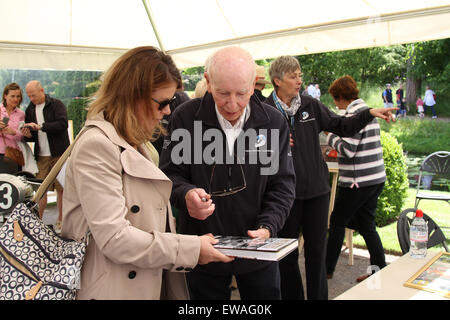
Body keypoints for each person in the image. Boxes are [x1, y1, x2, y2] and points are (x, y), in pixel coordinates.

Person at [60, 46, 233, 300]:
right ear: (132, 96)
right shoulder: (97, 145)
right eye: (163, 103)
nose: (167, 111)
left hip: (146, 280)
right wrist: (191, 248)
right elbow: (115, 238)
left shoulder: (138, 144)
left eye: (171, 102)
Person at [160, 46, 296, 300]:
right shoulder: (186, 118)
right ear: (208, 82)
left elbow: (282, 186)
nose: (232, 104)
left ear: (253, 84)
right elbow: (170, 175)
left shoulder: (273, 122)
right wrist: (186, 194)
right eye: (222, 93)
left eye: (242, 93)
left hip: (258, 251)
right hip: (203, 250)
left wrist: (268, 226)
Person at [265, 56, 396, 300]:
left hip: (316, 193)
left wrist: (369, 113)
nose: (299, 80)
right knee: (286, 255)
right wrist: (270, 145)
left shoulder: (310, 105)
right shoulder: (264, 110)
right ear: (277, 80)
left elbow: (341, 125)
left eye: (300, 75)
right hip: (283, 197)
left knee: (317, 254)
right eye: (293, 76)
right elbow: (251, 149)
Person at [325, 75, 387, 283]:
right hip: (375, 177)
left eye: (335, 98)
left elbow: (348, 150)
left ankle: (326, 269)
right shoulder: (368, 111)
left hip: (357, 181)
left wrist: (329, 135)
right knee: (367, 225)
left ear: (341, 97)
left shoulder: (354, 114)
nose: (334, 103)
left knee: (336, 222)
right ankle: (379, 269)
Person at [21, 80, 70, 232]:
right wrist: (27, 134)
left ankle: (62, 220)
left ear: (42, 90)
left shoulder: (56, 104)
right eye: (29, 96)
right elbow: (32, 137)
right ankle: (38, 221)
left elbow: (63, 124)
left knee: (61, 188)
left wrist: (42, 127)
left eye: (33, 95)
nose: (31, 99)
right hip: (41, 155)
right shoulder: (30, 109)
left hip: (59, 154)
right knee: (41, 189)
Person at [0, 83, 25, 172]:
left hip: (14, 154)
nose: (16, 99)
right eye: (12, 96)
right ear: (5, 96)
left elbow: (22, 136)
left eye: (18, 96)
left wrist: (13, 132)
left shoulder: (21, 114)